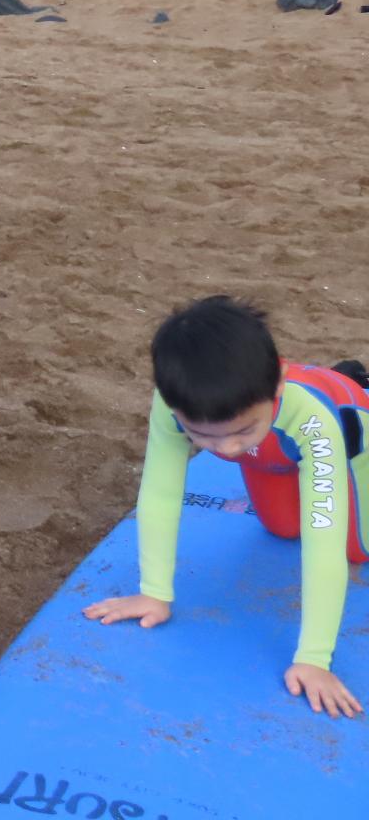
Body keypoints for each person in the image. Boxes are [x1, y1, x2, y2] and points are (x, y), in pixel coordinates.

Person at [83, 296, 368, 719]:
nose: (227, 449)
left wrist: (314, 658)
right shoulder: (176, 405)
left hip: (348, 428)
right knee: (283, 528)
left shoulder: (315, 422)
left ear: (277, 384)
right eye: (204, 436)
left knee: (356, 549)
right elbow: (160, 491)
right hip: (272, 451)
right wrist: (154, 592)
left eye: (241, 430)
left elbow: (323, 541)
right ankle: (288, 418)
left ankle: (350, 379)